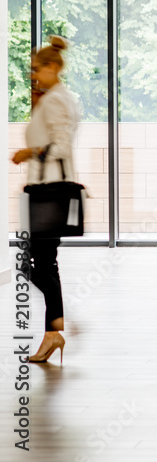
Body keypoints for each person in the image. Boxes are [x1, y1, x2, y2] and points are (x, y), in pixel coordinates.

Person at [11, 36, 79, 363]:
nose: (32, 74)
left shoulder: (55, 100)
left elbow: (62, 145)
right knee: (42, 264)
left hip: (47, 192)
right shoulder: (54, 97)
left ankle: (56, 329)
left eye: (37, 69)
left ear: (53, 67)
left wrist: (30, 152)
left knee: (35, 264)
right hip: (43, 190)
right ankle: (54, 332)